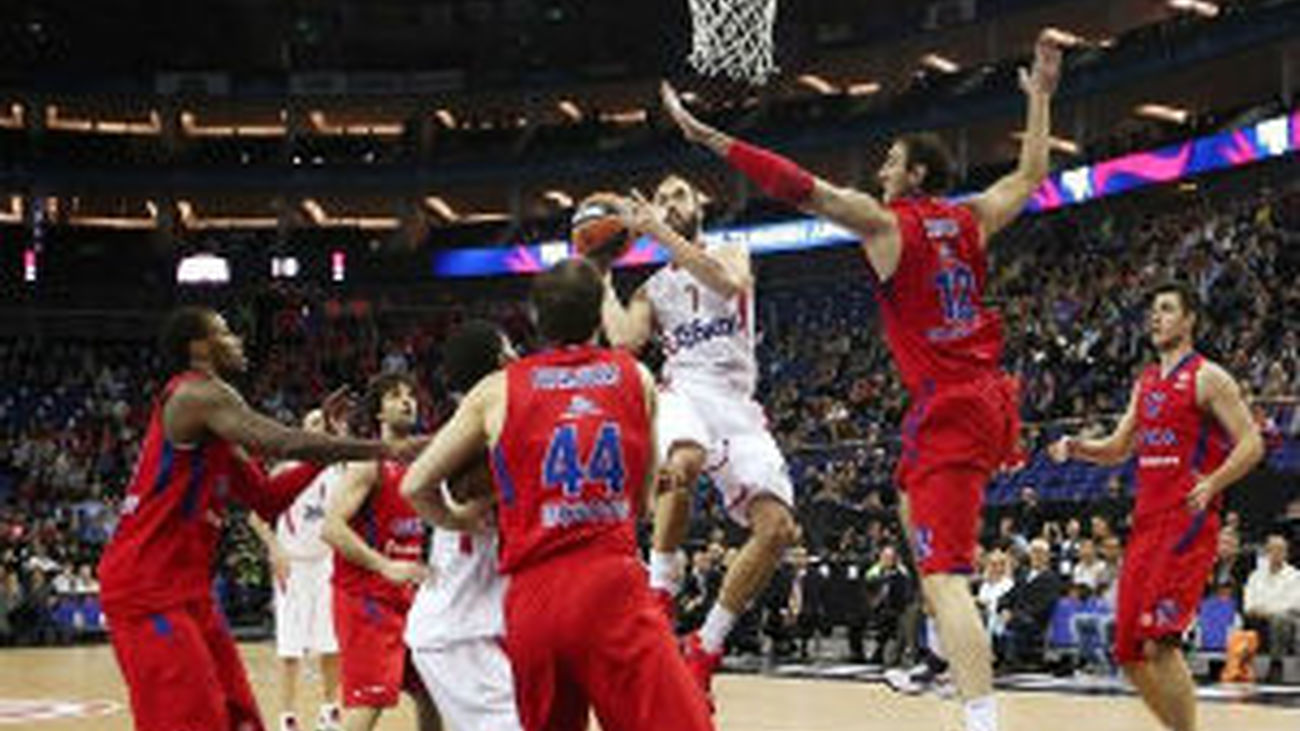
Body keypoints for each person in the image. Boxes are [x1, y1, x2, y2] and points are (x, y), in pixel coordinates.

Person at [660, 28, 1065, 731]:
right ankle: (937, 647)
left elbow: (798, 185)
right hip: (983, 396)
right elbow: (1030, 175)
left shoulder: (887, 225)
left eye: (891, 161)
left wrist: (709, 138)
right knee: (907, 501)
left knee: (946, 578)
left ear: (915, 175)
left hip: (953, 405)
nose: (881, 169)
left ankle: (979, 714)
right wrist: (1043, 98)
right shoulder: (969, 219)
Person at [401, 258, 714, 731]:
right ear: (598, 315)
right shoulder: (636, 376)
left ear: (536, 318)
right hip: (610, 583)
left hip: (533, 596)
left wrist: (458, 518)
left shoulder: (496, 390)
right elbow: (642, 502)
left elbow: (415, 485)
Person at [97, 306, 407, 731]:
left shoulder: (217, 425)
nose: (237, 340)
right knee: (192, 719)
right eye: (224, 332)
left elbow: (267, 499)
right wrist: (382, 449)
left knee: (239, 718)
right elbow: (281, 441)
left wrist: (324, 447)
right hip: (145, 585)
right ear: (199, 347)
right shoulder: (198, 394)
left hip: (188, 588)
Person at [601, 172, 801, 697]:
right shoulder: (652, 288)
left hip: (738, 406)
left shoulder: (731, 251)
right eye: (661, 197)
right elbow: (624, 340)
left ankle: (706, 645)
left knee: (777, 529)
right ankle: (660, 589)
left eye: (679, 195)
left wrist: (657, 232)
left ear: (699, 206)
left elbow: (728, 284)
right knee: (684, 460)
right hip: (684, 391)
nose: (669, 203)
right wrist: (600, 273)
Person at [1049, 281, 1265, 731]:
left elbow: (1252, 443)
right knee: (1128, 653)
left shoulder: (1208, 376)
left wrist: (1214, 482)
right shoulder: (1146, 382)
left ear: (1190, 320)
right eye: (1153, 310)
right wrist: (1076, 446)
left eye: (1166, 309)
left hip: (1187, 521)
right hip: (1146, 523)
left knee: (1161, 642)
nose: (1155, 317)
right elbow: (1117, 448)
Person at [404, 320, 523, 731]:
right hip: (457, 631)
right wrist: (457, 517)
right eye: (512, 347)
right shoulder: (476, 438)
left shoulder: (477, 426)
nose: (519, 355)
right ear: (502, 359)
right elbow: (419, 488)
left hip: (479, 623)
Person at [321, 373, 440, 731]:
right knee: (369, 702)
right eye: (395, 396)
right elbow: (331, 528)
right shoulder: (369, 462)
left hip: (407, 600)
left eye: (410, 395)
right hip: (366, 600)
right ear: (379, 412)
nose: (407, 401)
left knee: (434, 691)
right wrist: (385, 565)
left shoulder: (419, 463)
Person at [248, 408, 346, 731]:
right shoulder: (286, 470)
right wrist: (275, 549)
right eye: (313, 422)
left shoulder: (338, 473)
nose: (320, 426)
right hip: (292, 565)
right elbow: (256, 516)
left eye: (324, 422)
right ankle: (288, 717)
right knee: (290, 646)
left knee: (331, 643)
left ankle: (330, 710)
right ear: (302, 432)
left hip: (326, 563)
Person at [1243, 535, 1300, 683]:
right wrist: (1261, 610)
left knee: (1280, 619)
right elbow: (1248, 603)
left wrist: (1267, 611)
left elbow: (1294, 604)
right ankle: (1241, 665)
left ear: (1286, 553)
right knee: (1244, 619)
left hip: (1286, 619)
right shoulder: (1255, 575)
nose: (1276, 553)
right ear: (1267, 552)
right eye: (1272, 549)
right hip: (1258, 618)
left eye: (1280, 550)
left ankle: (1276, 663)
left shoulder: (1294, 576)